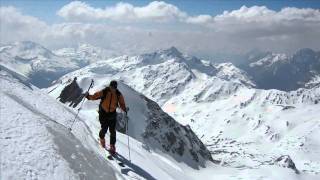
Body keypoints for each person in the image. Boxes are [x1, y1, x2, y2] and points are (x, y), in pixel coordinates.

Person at [85, 80, 127, 154]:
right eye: (112, 87)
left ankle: (112, 146)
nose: (113, 88)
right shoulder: (105, 91)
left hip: (112, 114)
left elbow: (122, 103)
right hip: (103, 113)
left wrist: (124, 109)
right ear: (110, 86)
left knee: (112, 131)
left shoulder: (118, 94)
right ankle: (102, 140)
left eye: (114, 87)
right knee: (104, 129)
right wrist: (88, 96)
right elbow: (95, 96)